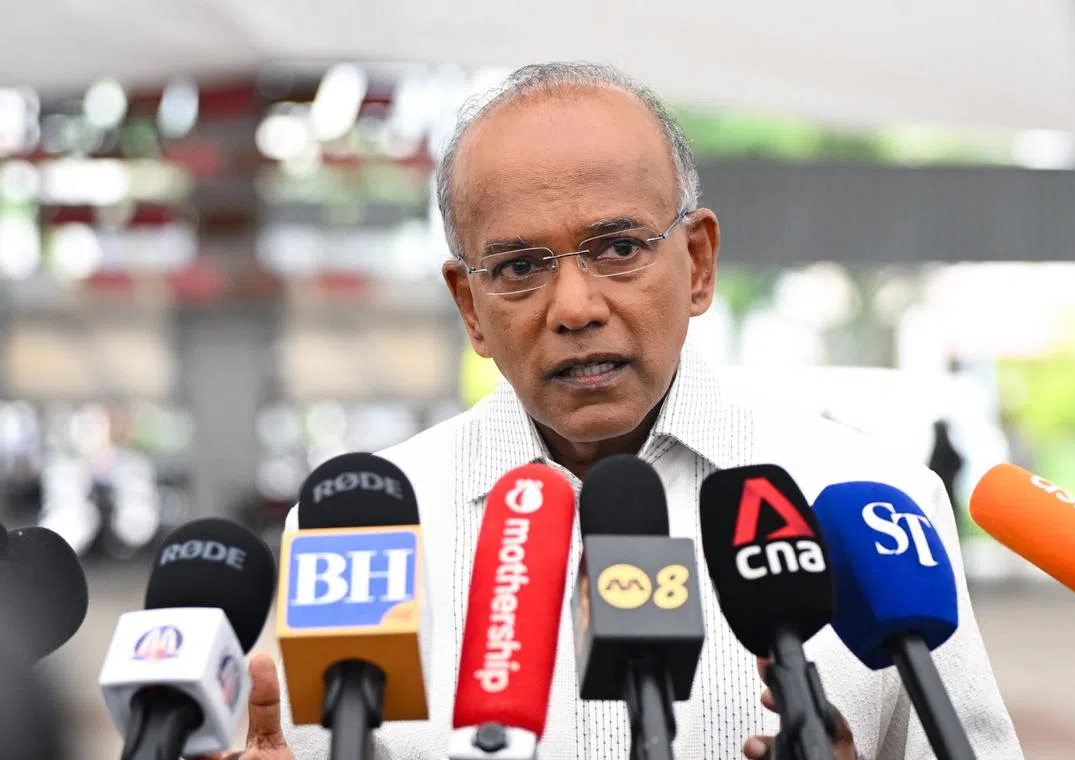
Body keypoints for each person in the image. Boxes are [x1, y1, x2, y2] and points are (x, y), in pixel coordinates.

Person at [201, 62, 1023, 759]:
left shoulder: (875, 505)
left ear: (697, 263)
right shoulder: (360, 528)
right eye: (520, 265)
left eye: (619, 248)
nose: (574, 305)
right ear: (470, 307)